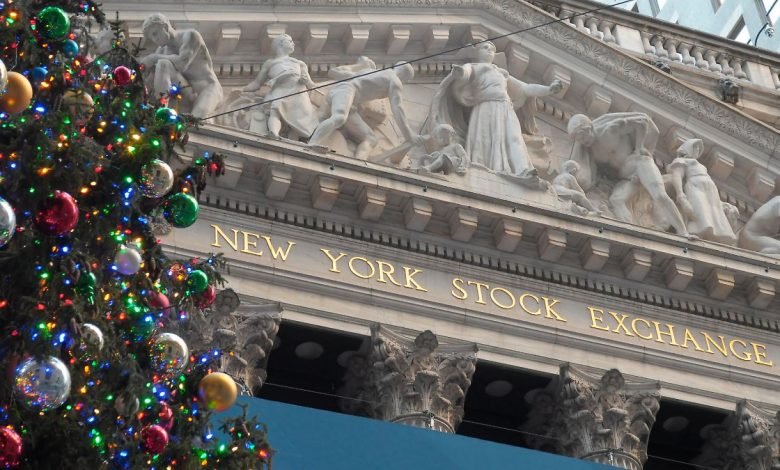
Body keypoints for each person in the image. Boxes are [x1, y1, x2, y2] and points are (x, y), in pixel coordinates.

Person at [428, 41, 561, 185]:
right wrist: (460, 73)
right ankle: (482, 169)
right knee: (484, 141)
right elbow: (465, 74)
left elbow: (525, 88)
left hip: (505, 107)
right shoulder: (474, 67)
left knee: (515, 138)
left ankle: (522, 170)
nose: (489, 50)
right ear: (477, 52)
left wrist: (549, 89)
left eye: (492, 48)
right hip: (485, 107)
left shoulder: (501, 72)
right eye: (485, 47)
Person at [567, 113, 691, 237]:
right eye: (580, 140)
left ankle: (683, 232)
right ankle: (631, 234)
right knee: (616, 200)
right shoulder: (590, 150)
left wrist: (639, 147)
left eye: (583, 136)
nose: (583, 141)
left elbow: (641, 123)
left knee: (660, 195)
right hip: (626, 177)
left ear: (589, 128)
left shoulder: (609, 129)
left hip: (639, 164)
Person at [309, 61, 421, 160]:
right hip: (346, 91)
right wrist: (409, 135)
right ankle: (312, 143)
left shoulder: (371, 71)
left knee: (371, 139)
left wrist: (359, 65)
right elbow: (397, 108)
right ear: (404, 77)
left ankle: (358, 163)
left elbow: (335, 73)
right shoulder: (395, 81)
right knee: (339, 117)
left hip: (346, 99)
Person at [140, 13, 223, 119]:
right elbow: (150, 79)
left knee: (195, 120)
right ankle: (161, 109)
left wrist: (153, 58)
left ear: (165, 27)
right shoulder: (162, 51)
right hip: (186, 91)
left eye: (155, 33)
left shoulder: (190, 36)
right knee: (162, 64)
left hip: (207, 88)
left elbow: (182, 64)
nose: (154, 39)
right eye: (151, 37)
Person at [242, 34, 318, 138]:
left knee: (301, 119)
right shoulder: (270, 63)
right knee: (275, 111)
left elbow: (310, 84)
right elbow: (257, 83)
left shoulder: (299, 63)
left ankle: (295, 138)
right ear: (280, 43)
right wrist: (242, 90)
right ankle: (273, 133)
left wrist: (304, 80)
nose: (293, 43)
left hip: (297, 93)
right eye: (290, 41)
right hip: (280, 90)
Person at [666, 139, 736, 244]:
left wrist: (720, 202)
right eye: (695, 148)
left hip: (710, 191)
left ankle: (714, 236)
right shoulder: (681, 161)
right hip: (695, 186)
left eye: (698, 149)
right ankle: (697, 232)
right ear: (688, 148)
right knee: (699, 208)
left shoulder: (701, 166)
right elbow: (677, 176)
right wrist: (680, 194)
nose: (697, 150)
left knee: (712, 212)